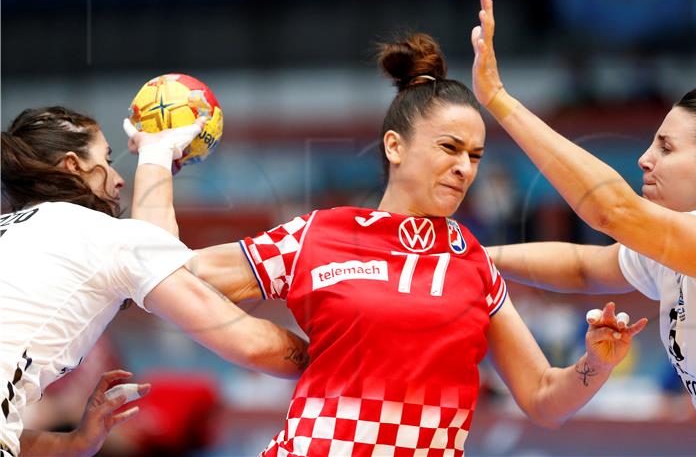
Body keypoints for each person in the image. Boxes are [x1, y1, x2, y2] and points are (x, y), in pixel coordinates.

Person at [184, 33, 647, 456]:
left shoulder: (474, 263)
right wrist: (157, 159)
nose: (465, 167)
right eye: (450, 148)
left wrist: (595, 365)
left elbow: (545, 400)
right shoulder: (317, 234)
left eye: (475, 156)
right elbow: (173, 275)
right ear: (394, 146)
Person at [471, 0, 696, 456]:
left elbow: (613, 212)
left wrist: (501, 101)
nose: (645, 160)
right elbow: (584, 267)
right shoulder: (682, 254)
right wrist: (465, 255)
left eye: (666, 148)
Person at [0, 107, 309, 457]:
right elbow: (251, 344)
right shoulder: (97, 234)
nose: (119, 178)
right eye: (107, 158)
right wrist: (332, 360)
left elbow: (152, 249)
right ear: (73, 165)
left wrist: (77, 442)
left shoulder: (18, 232)